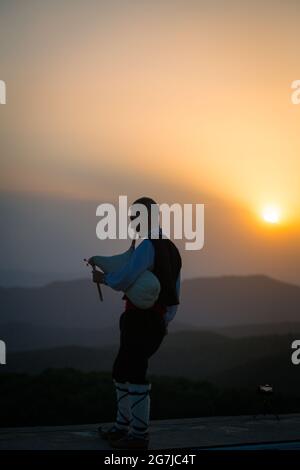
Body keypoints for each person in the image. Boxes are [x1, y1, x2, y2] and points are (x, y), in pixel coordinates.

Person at [89, 197, 181, 450]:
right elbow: (175, 294)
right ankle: (123, 427)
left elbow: (126, 277)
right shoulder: (173, 250)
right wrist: (163, 321)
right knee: (123, 369)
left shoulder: (146, 247)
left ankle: (138, 436)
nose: (132, 222)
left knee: (133, 372)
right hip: (156, 321)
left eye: (135, 217)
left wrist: (104, 278)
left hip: (139, 319)